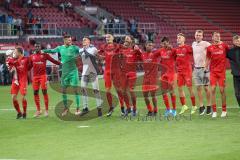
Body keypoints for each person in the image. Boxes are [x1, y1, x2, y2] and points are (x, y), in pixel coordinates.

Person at [42, 35, 81, 116]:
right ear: (64, 40)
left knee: (75, 90)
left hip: (73, 71)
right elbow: (52, 51)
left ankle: (78, 108)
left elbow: (82, 50)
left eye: (71, 40)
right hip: (65, 72)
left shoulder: (75, 47)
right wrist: (43, 51)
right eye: (69, 40)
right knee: (63, 91)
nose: (70, 41)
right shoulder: (60, 48)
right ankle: (66, 108)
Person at [29, 42, 61, 117]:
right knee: (35, 93)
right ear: (34, 47)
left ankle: (46, 110)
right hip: (35, 77)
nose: (37, 48)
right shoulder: (32, 56)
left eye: (38, 46)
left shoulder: (45, 55)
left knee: (44, 92)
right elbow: (29, 66)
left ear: (40, 48)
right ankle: (38, 110)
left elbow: (53, 60)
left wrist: (60, 63)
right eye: (36, 46)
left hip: (43, 76)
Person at [205, 32, 229, 118]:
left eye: (219, 36)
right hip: (213, 72)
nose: (217, 37)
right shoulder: (209, 48)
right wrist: (205, 66)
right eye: (216, 36)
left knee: (222, 90)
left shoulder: (224, 46)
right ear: (212, 37)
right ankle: (214, 111)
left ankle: (224, 110)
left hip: (221, 72)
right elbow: (208, 58)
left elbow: (230, 55)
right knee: (213, 89)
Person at [98, 34, 122, 116]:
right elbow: (100, 56)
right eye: (106, 38)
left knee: (118, 90)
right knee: (108, 91)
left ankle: (123, 108)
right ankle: (111, 107)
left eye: (109, 37)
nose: (107, 39)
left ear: (113, 38)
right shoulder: (103, 47)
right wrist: (100, 58)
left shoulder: (118, 46)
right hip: (107, 71)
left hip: (116, 71)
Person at [79, 37, 102, 117]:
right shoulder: (80, 50)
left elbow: (91, 56)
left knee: (95, 90)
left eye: (85, 39)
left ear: (89, 41)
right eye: (83, 40)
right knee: (82, 89)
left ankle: (99, 108)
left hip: (92, 71)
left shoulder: (93, 49)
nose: (83, 41)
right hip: (85, 72)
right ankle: (85, 108)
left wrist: (85, 49)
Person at [119, 35, 141, 116]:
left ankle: (134, 108)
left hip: (132, 73)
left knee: (131, 91)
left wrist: (138, 51)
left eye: (128, 38)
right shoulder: (122, 50)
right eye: (125, 38)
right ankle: (128, 108)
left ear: (132, 40)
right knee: (123, 91)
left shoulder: (135, 49)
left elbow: (141, 59)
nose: (126, 39)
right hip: (123, 74)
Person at [175, 33, 197, 115]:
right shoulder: (176, 49)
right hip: (179, 72)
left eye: (180, 37)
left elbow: (195, 54)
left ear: (184, 39)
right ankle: (184, 106)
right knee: (179, 88)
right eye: (177, 38)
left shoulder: (188, 48)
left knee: (189, 88)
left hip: (187, 71)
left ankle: (194, 106)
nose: (178, 39)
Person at [192, 30, 212, 115]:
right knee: (198, 88)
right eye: (197, 35)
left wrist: (207, 64)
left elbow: (213, 49)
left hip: (204, 69)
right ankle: (201, 106)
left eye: (200, 35)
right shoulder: (193, 44)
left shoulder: (206, 44)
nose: (198, 36)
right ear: (195, 35)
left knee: (206, 88)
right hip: (196, 69)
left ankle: (209, 106)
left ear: (202, 36)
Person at [157, 37, 177, 116]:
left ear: (168, 42)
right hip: (163, 74)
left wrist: (173, 49)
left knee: (172, 92)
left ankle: (174, 110)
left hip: (171, 74)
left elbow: (177, 56)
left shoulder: (173, 50)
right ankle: (168, 109)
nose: (164, 44)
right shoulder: (161, 51)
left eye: (166, 43)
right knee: (164, 93)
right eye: (163, 43)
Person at [141, 41, 160, 116]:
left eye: (152, 45)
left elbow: (162, 50)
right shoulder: (142, 54)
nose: (151, 47)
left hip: (153, 78)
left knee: (153, 95)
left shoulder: (155, 54)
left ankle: (155, 110)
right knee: (145, 96)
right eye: (149, 45)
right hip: (146, 77)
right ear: (145, 46)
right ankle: (149, 110)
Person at [10, 47, 30, 119]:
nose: (14, 53)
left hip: (22, 80)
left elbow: (30, 65)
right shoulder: (13, 60)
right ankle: (19, 113)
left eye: (15, 52)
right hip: (15, 80)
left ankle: (24, 113)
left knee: (23, 97)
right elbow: (10, 70)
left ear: (19, 52)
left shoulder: (26, 59)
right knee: (13, 97)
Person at [227, 35, 240, 108]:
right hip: (236, 76)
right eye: (236, 41)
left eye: (239, 40)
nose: (238, 42)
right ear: (233, 42)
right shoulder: (230, 52)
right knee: (237, 94)